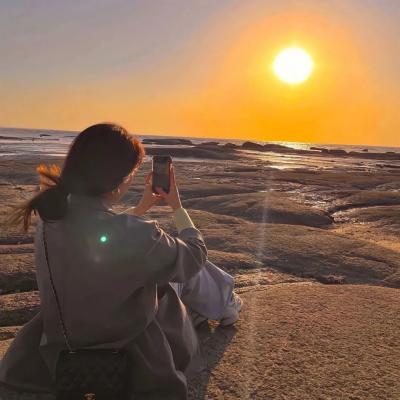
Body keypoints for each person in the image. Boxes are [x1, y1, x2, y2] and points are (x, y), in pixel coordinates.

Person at [0, 123, 243, 399]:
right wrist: (177, 207)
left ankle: (223, 301)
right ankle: (227, 303)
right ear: (120, 178)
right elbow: (195, 255)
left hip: (62, 342)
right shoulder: (138, 234)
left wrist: (141, 208)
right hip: (133, 353)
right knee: (181, 270)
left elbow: (101, 235)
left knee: (163, 262)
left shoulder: (50, 220)